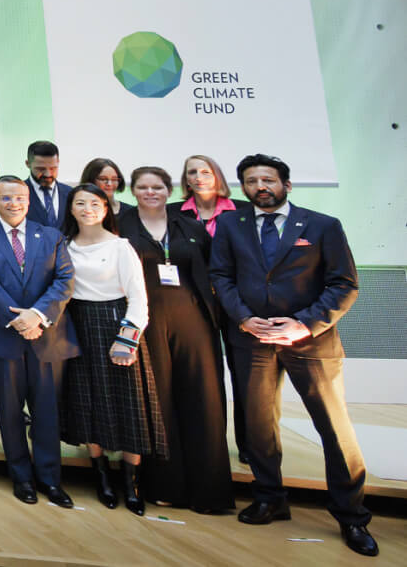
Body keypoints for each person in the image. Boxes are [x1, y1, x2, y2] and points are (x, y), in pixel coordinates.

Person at [209, 154, 374, 557]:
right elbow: (221, 277)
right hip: (252, 339)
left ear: (286, 184)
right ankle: (270, 498)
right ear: (243, 188)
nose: (260, 186)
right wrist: (245, 319)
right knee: (260, 426)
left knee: (334, 429)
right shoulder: (231, 224)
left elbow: (344, 284)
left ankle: (351, 516)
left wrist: (303, 323)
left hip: (310, 341)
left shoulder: (322, 225)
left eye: (268, 179)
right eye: (251, 181)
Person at [116, 166, 234, 514]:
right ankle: (165, 485)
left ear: (169, 190)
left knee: (203, 399)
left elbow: (214, 270)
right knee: (159, 400)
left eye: (157, 187)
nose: (150, 192)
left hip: (194, 321)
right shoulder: (121, 228)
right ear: (133, 191)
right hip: (148, 322)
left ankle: (209, 490)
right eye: (143, 187)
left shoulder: (191, 226)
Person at [0, 175, 78, 508]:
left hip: (46, 336)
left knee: (47, 412)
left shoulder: (52, 235)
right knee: (10, 413)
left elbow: (65, 280)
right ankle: (21, 477)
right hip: (4, 336)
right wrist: (18, 319)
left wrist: (37, 316)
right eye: (6, 198)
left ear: (28, 200)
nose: (14, 203)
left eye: (20, 198)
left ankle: (50, 479)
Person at [59, 185, 165, 515]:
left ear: (106, 209)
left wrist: (127, 338)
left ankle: (131, 483)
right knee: (88, 401)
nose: (88, 209)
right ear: (71, 210)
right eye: (80, 203)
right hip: (78, 327)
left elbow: (138, 298)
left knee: (128, 403)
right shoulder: (64, 246)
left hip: (116, 326)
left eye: (95, 203)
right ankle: (101, 476)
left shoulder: (121, 247)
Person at [174, 152, 249, 460]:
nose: (198, 177)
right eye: (192, 172)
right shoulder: (174, 213)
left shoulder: (244, 211)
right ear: (185, 179)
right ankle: (209, 443)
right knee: (204, 378)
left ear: (217, 175)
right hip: (193, 305)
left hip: (237, 304)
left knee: (245, 378)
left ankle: (249, 445)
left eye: (205, 171)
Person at [24, 141, 73, 230]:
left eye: (53, 168)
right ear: (28, 164)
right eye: (41, 169)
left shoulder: (71, 193)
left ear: (58, 162)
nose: (48, 174)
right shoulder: (17, 194)